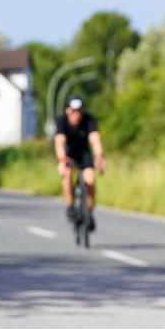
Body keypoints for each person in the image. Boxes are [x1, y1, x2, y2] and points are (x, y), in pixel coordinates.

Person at [54, 95, 105, 230]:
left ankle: (89, 211)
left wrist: (99, 156)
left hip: (83, 153)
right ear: (68, 111)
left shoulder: (89, 120)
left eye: (79, 112)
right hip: (68, 154)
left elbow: (95, 139)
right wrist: (62, 158)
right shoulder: (62, 120)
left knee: (90, 179)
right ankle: (70, 206)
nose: (77, 115)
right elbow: (59, 141)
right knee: (67, 173)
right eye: (73, 111)